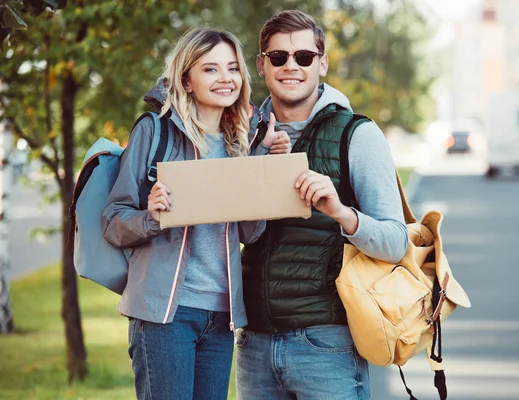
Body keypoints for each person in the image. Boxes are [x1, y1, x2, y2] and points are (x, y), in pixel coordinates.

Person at [102, 27, 289, 400]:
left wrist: (263, 164)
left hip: (221, 316)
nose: (226, 79)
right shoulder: (155, 132)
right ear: (186, 80)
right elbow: (113, 220)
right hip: (166, 316)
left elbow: (249, 233)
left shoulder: (242, 143)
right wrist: (152, 216)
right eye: (210, 69)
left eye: (233, 69)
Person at [235, 10, 410, 399]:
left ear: (322, 63)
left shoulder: (357, 135)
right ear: (262, 65)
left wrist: (340, 213)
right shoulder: (242, 136)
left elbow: (396, 242)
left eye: (304, 57)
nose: (291, 66)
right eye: (278, 57)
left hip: (327, 344)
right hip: (254, 345)